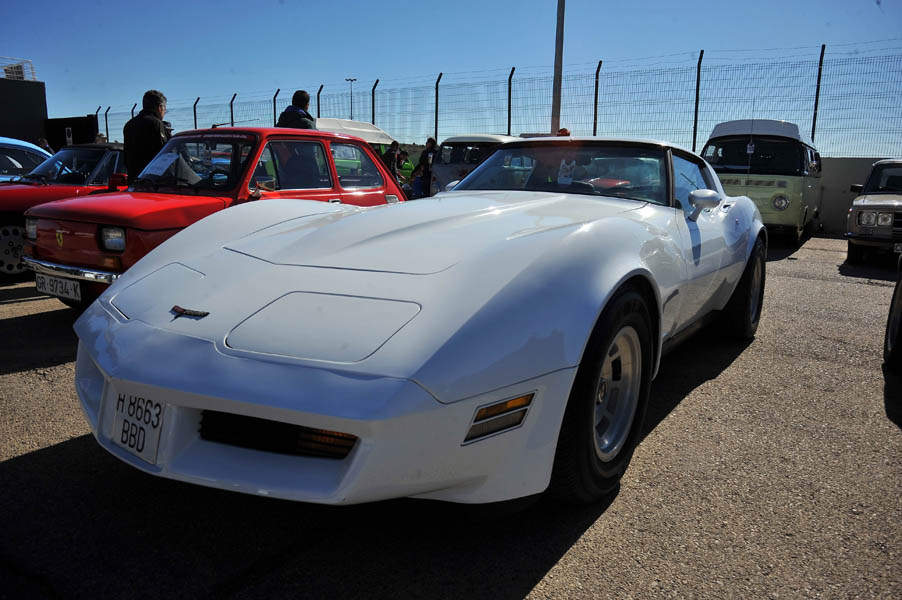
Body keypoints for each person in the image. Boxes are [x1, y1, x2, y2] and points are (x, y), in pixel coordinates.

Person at [123, 89, 171, 181]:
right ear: (160, 107)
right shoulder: (156, 124)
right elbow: (165, 153)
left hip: (134, 179)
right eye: (165, 109)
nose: (164, 112)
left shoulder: (129, 124)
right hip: (152, 180)